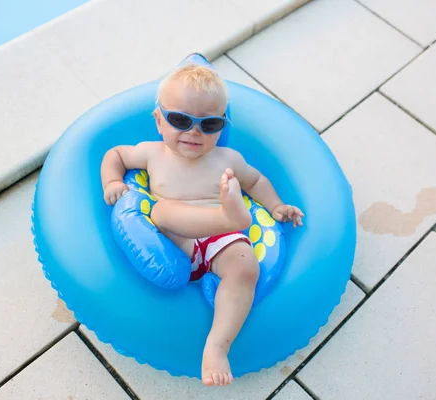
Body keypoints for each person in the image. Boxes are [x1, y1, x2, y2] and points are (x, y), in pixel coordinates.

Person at [101, 63, 303, 386]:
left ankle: (217, 346)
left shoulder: (228, 159)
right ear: (158, 120)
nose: (194, 132)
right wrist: (112, 181)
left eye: (209, 124)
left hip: (217, 242)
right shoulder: (153, 154)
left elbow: (255, 181)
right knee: (161, 211)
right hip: (173, 238)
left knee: (247, 267)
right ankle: (228, 217)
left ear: (222, 126)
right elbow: (115, 155)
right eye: (180, 120)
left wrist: (277, 206)